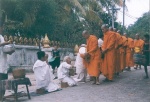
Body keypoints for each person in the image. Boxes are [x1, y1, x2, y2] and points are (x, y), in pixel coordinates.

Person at [0, 25, 12, 100]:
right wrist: (6, 43)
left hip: (3, 62)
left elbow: (4, 49)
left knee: (4, 81)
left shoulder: (1, 37)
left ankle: (2, 96)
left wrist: (10, 51)